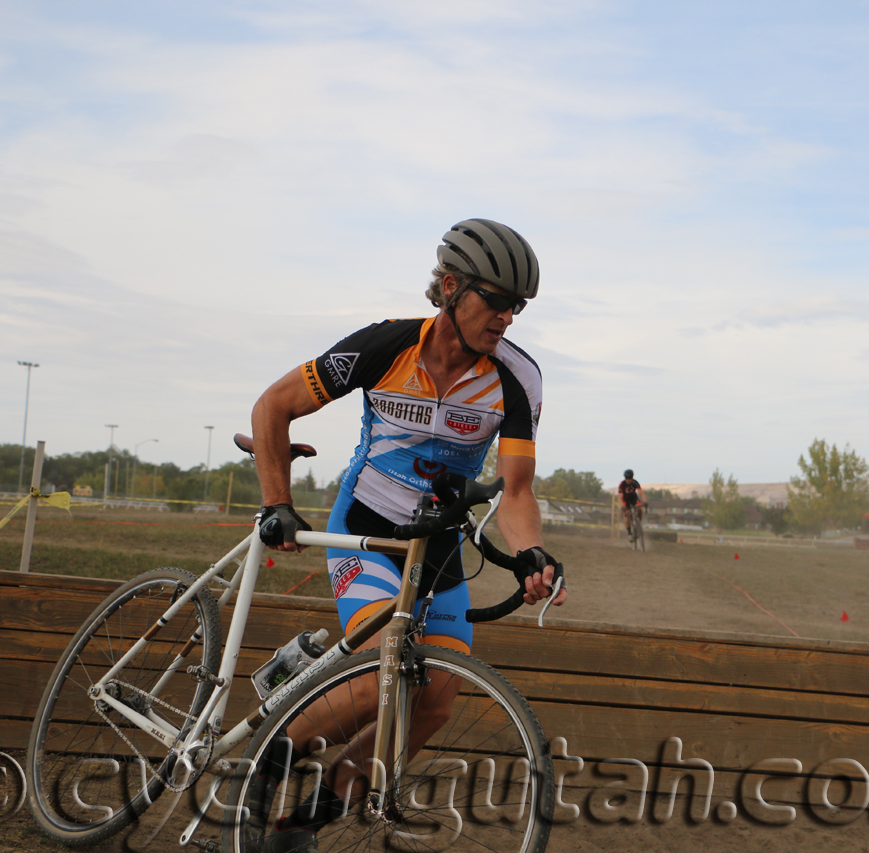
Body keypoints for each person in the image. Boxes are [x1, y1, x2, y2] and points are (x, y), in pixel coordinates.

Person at [249, 218, 566, 850]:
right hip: (365, 527)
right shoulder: (385, 346)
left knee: (436, 699)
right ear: (450, 287)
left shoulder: (517, 379)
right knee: (376, 678)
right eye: (497, 301)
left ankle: (304, 822)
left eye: (518, 307)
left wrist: (532, 551)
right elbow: (273, 406)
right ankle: (267, 756)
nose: (508, 318)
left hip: (439, 543)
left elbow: (518, 488)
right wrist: (277, 503)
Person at [617, 469, 647, 536]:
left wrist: (645, 502)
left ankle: (638, 522)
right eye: (627, 478)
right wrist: (623, 506)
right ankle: (629, 532)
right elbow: (619, 497)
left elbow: (641, 493)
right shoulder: (622, 485)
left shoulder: (635, 483)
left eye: (630, 478)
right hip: (625, 500)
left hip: (633, 498)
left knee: (639, 508)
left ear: (632, 478)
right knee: (627, 515)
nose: (628, 480)